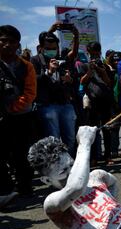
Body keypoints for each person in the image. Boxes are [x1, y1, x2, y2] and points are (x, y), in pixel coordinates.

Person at [0, 25, 37, 206]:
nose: (7, 45)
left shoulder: (26, 66)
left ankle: (26, 189)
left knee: (21, 154)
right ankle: (6, 190)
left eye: (11, 41)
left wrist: (12, 108)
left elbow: (30, 92)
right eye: (3, 40)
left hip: (21, 117)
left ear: (18, 44)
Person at [31, 22, 79, 156]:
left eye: (54, 48)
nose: (52, 50)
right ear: (41, 48)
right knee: (54, 139)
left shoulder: (61, 59)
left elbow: (73, 54)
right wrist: (48, 73)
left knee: (70, 138)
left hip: (64, 104)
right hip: (47, 106)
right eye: (48, 48)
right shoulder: (35, 61)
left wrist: (69, 79)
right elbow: (33, 80)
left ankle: (71, 165)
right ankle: (57, 168)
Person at [78, 41, 114, 166]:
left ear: (100, 52)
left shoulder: (106, 66)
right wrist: (90, 71)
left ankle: (108, 156)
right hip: (92, 103)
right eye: (92, 55)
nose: (94, 57)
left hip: (105, 102)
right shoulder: (83, 66)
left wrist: (100, 69)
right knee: (92, 131)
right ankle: (93, 158)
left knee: (106, 129)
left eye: (96, 54)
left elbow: (109, 83)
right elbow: (82, 82)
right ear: (88, 53)